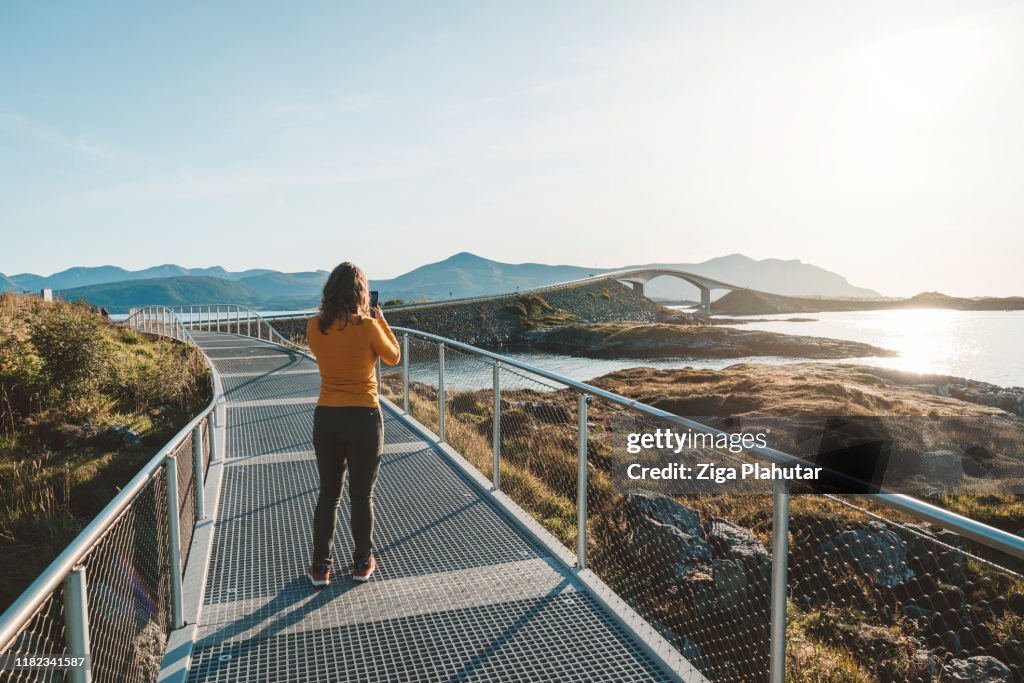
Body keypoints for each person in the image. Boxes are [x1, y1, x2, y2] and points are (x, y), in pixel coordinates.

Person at [305, 262, 400, 586]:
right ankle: (361, 563)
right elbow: (393, 356)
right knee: (361, 496)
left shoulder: (314, 327)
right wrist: (381, 321)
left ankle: (320, 567)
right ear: (362, 293)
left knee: (328, 495)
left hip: (327, 417)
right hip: (364, 418)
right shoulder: (368, 327)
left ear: (330, 291)